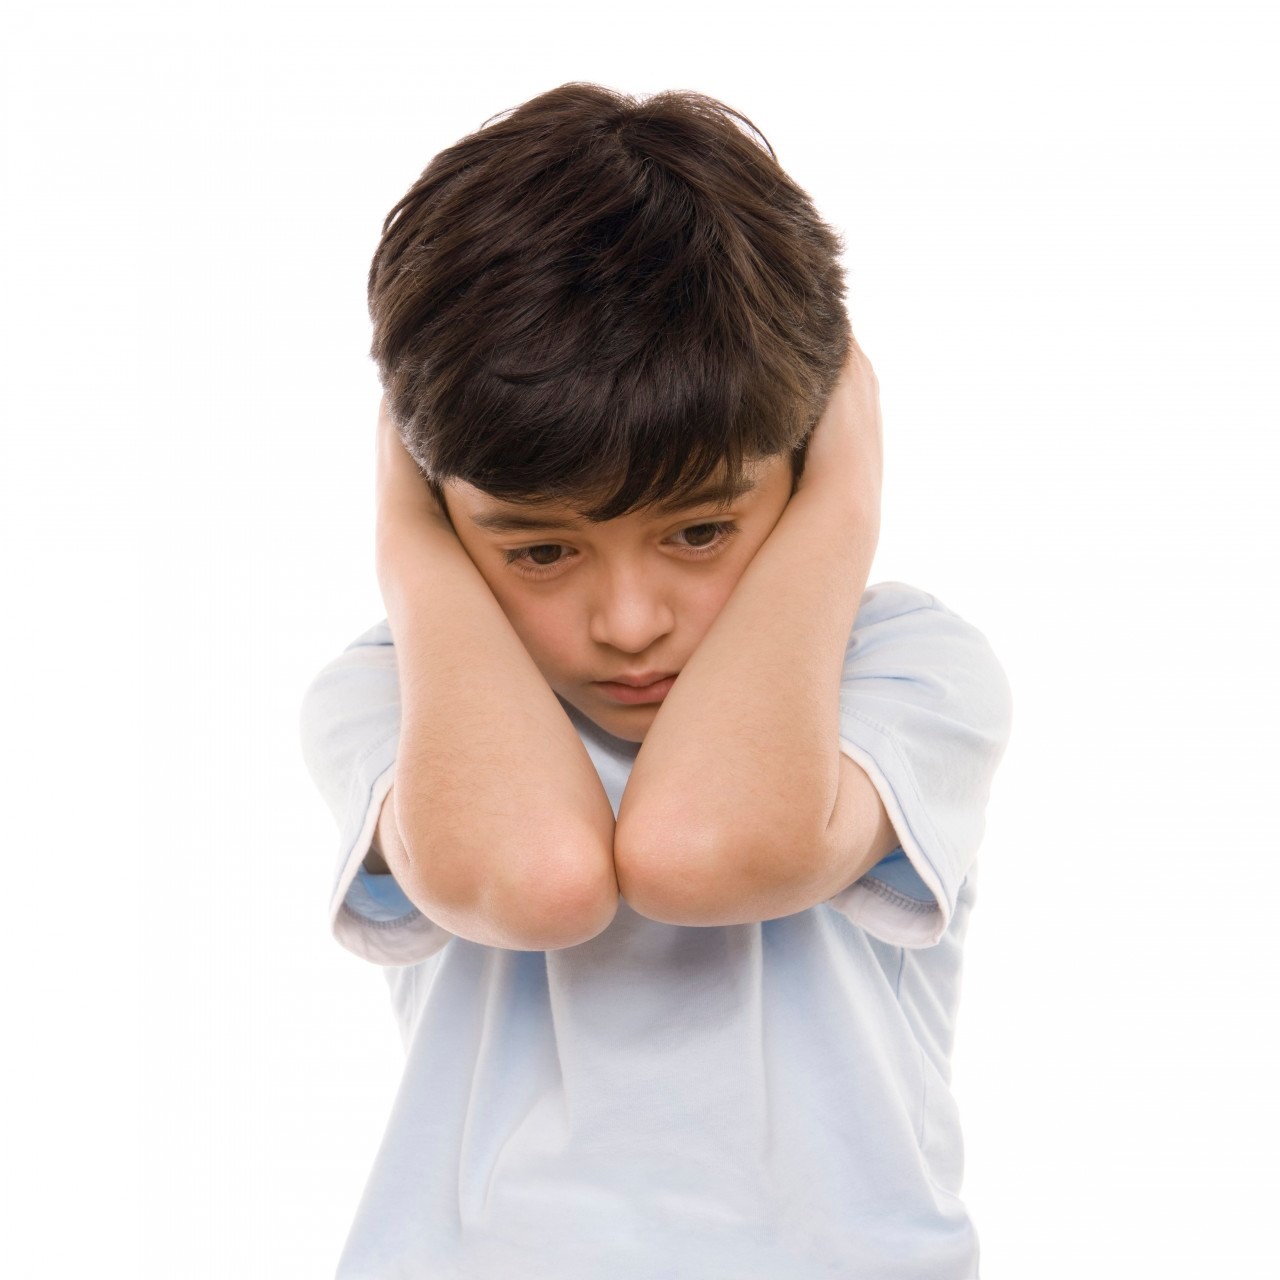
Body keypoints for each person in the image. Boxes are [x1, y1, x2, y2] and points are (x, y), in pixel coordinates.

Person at [299, 82, 1013, 1279]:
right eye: (538, 549)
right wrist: (407, 549)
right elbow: (538, 877)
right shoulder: (394, 688)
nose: (628, 623)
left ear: (806, 461)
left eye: (698, 532)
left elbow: (708, 851)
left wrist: (841, 510)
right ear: (437, 507)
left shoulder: (901, 667)